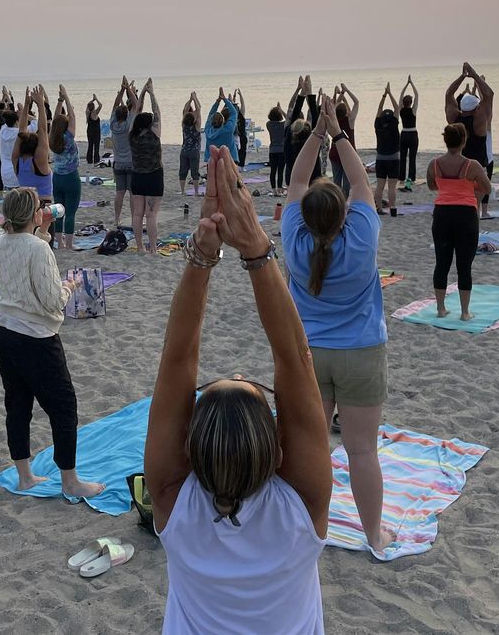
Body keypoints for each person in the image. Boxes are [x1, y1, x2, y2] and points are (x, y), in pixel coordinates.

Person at [145, 145, 330, 634]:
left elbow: (176, 359)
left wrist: (204, 256)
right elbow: (294, 358)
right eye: (254, 386)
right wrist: (256, 248)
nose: (245, 372)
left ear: (190, 449)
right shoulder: (301, 510)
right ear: (277, 454)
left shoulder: (170, 500)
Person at [284, 93, 393, 555]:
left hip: (309, 354)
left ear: (307, 216)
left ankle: (308, 532)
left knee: (309, 449)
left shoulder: (293, 238)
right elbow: (360, 180)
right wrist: (338, 131)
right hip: (362, 353)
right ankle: (373, 535)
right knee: (362, 452)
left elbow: (296, 179)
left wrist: (316, 132)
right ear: (344, 213)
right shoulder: (363, 237)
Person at [0, 187, 104, 499]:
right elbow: (52, 301)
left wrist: (41, 233)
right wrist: (68, 286)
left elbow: (24, 256)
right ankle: (70, 481)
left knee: (18, 404)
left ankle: (24, 476)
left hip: (3, 330)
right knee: (64, 405)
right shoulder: (38, 250)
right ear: (32, 214)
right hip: (35, 337)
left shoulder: (1, 242)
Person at [426, 123, 491, 321]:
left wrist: (449, 188)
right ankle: (464, 312)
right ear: (464, 141)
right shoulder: (473, 166)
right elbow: (487, 188)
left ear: (446, 141)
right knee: (464, 265)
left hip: (442, 215)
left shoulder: (434, 164)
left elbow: (431, 186)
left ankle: (440, 308)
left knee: (442, 262)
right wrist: (471, 186)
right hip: (465, 217)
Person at [445, 62, 494, 218]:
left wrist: (462, 76)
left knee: (461, 205)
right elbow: (489, 94)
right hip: (477, 167)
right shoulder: (479, 121)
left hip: (460, 167)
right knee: (474, 208)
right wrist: (474, 74)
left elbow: (448, 94)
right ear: (476, 108)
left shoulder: (454, 118)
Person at [129, 78, 164, 256]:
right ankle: (153, 248)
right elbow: (157, 112)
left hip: (137, 176)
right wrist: (152, 94)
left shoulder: (132, 135)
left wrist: (141, 93)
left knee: (137, 214)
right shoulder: (154, 133)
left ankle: (140, 247)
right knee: (150, 215)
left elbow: (136, 111)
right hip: (153, 176)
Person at [49, 86, 82, 251]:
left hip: (57, 177)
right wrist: (66, 97)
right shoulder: (68, 137)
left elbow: (55, 119)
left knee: (58, 211)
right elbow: (73, 116)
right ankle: (68, 244)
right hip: (70, 177)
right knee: (70, 212)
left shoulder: (52, 137)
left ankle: (59, 243)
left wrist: (60, 101)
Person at [109, 78, 136, 228]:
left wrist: (121, 90)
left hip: (118, 163)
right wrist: (129, 90)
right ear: (126, 115)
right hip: (130, 163)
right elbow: (136, 105)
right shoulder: (129, 125)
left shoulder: (113, 125)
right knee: (132, 193)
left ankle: (116, 219)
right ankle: (133, 219)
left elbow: (114, 105)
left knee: (119, 193)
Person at [373, 84, 401, 216]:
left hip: (380, 158)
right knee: (392, 186)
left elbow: (379, 108)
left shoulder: (378, 124)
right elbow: (397, 108)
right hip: (393, 158)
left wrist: (384, 95)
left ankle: (378, 208)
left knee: (380, 185)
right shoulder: (394, 123)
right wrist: (390, 93)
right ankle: (393, 208)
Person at [204, 88, 238, 163]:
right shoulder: (228, 130)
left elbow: (211, 114)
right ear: (223, 121)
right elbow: (234, 113)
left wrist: (218, 101)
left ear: (211, 121)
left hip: (212, 160)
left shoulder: (207, 130)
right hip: (230, 159)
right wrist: (225, 99)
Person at [179, 92, 203, 197]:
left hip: (184, 151)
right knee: (195, 172)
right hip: (194, 151)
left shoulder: (183, 125)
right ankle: (196, 192)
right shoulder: (196, 126)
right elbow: (199, 109)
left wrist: (189, 100)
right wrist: (195, 98)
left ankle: (183, 191)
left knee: (183, 171)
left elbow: (185, 111)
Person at [398, 76, 419, 191]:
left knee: (402, 157)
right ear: (410, 103)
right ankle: (410, 178)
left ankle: (401, 178)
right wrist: (411, 83)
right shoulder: (413, 110)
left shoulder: (401, 110)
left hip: (404, 134)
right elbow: (417, 96)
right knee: (412, 157)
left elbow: (400, 97)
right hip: (412, 134)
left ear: (403, 103)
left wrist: (406, 85)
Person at [266, 103, 287, 197]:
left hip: (272, 150)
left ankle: (274, 190)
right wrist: (281, 109)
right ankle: (279, 189)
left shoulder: (269, 124)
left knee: (273, 171)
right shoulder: (283, 125)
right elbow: (289, 118)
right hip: (282, 151)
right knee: (281, 171)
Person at [85, 94, 103, 165]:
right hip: (96, 131)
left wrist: (93, 100)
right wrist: (96, 99)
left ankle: (89, 160)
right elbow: (101, 105)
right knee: (96, 145)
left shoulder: (87, 112)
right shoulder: (94, 113)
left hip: (89, 130)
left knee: (90, 145)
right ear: (94, 107)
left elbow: (87, 104)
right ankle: (96, 160)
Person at [232, 88, 248, 167]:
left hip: (242, 135)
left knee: (243, 151)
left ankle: (241, 165)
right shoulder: (231, 115)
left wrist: (240, 95)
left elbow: (243, 105)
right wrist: (234, 96)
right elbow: (231, 104)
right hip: (235, 135)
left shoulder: (241, 114)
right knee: (236, 151)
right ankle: (236, 164)